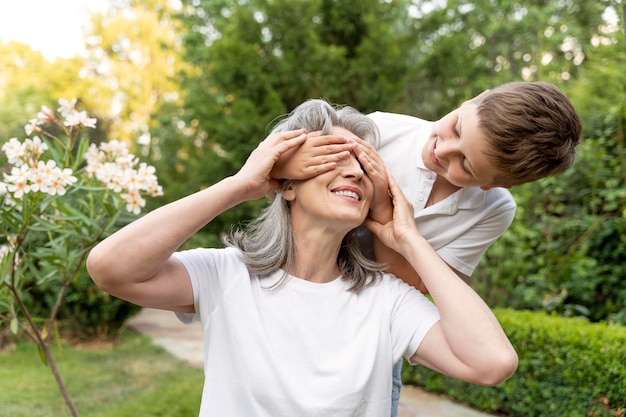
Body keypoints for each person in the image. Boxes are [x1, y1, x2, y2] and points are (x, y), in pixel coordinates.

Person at [87, 99, 518, 417]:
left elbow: (492, 363)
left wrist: (407, 237)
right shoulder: (228, 275)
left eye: (365, 167)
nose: (353, 171)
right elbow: (110, 268)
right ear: (286, 184)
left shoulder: (387, 301)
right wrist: (242, 184)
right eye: (332, 157)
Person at [271, 81, 582, 416]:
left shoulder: (493, 209)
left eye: (465, 164)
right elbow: (284, 183)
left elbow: (412, 287)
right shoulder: (381, 132)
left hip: (379, 333)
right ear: (475, 99)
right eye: (456, 128)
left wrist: (386, 212)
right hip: (303, 305)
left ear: (494, 184)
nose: (443, 150)